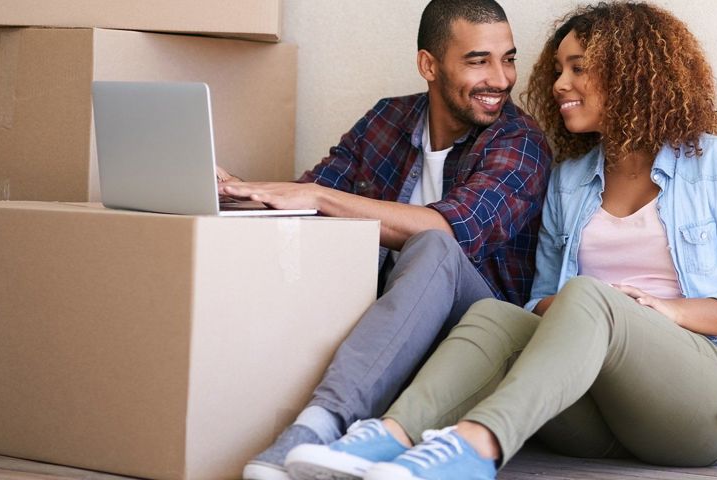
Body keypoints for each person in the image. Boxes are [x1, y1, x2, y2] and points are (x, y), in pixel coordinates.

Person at [281, 2, 717, 479]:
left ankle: (474, 449)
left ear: (631, 74)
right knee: (495, 313)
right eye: (558, 69)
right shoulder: (570, 179)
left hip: (702, 410)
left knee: (593, 296)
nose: (557, 84)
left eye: (578, 68)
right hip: (595, 415)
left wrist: (667, 312)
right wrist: (579, 307)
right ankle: (388, 436)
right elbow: (539, 298)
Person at [224, 1, 552, 479]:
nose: (501, 79)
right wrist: (236, 190)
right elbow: (306, 204)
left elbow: (451, 229)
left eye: (508, 58)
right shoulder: (386, 121)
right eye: (479, 60)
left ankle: (316, 428)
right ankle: (304, 427)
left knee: (434, 245)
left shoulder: (520, 143)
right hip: (385, 331)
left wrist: (317, 196)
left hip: (482, 336)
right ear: (428, 65)